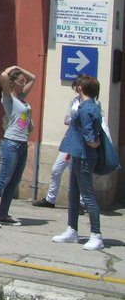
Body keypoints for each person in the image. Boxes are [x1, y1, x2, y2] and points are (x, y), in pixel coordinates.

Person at [0, 64, 36, 227]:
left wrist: (21, 72)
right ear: (12, 83)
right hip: (11, 143)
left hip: (23, 145)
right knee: (3, 179)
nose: (24, 83)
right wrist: (14, 67)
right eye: (20, 81)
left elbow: (34, 78)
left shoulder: (22, 98)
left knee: (14, 181)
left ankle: (2, 214)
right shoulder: (8, 98)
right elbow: (3, 75)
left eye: (23, 82)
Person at [52, 74, 105, 251]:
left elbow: (89, 136)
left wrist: (94, 143)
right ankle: (72, 230)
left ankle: (96, 235)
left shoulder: (85, 109)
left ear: (80, 88)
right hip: (77, 154)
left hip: (83, 156)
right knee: (73, 194)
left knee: (87, 196)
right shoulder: (90, 106)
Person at [32, 81, 82, 209]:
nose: (77, 90)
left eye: (78, 87)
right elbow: (66, 119)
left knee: (76, 173)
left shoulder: (94, 104)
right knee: (56, 169)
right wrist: (77, 119)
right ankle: (50, 199)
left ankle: (80, 203)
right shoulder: (74, 101)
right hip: (70, 140)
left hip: (82, 143)